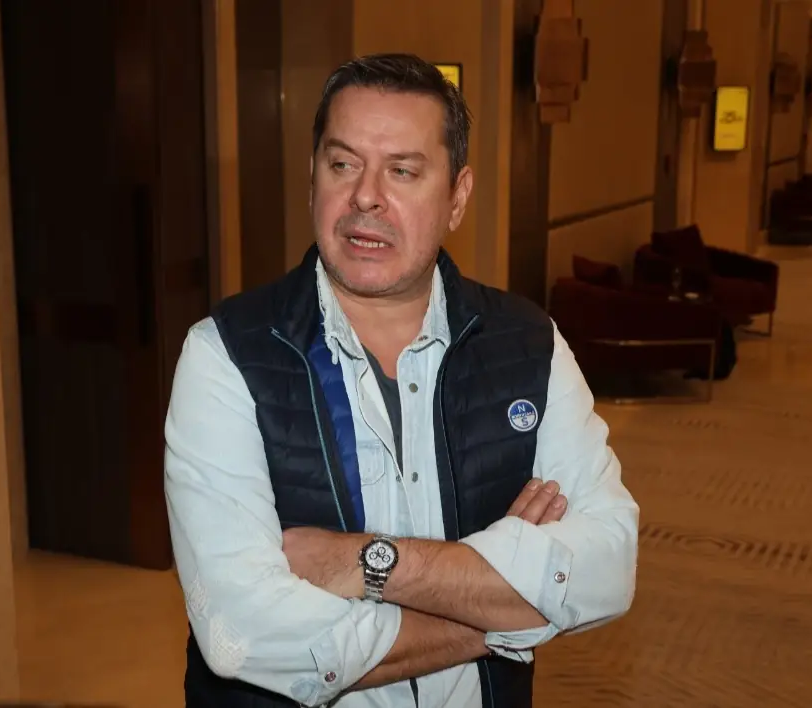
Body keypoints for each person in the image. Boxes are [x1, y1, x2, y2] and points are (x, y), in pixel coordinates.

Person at [164, 53, 639, 708]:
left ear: (458, 197)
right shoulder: (227, 355)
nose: (366, 196)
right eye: (343, 164)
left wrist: (365, 563)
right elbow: (241, 632)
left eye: (403, 171)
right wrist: (505, 611)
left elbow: (606, 569)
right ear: (312, 179)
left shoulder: (527, 345)